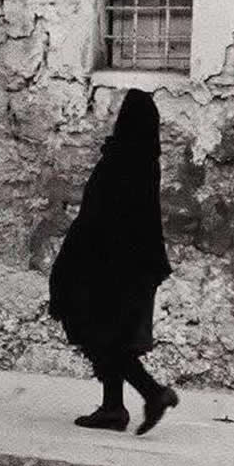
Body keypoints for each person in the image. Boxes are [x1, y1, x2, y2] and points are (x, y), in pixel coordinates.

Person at [49, 88, 178, 435]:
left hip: (107, 266)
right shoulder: (145, 159)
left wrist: (70, 262)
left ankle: (152, 393)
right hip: (129, 266)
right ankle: (113, 407)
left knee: (96, 333)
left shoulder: (121, 160)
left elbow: (97, 217)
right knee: (111, 336)